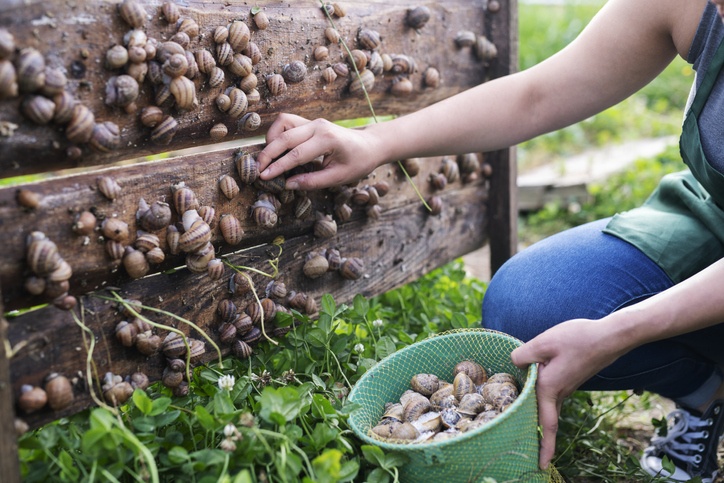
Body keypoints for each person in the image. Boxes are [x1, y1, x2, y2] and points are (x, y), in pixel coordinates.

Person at [257, 0, 724, 480]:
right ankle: (708, 390)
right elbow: (538, 95)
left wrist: (618, 332)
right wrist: (379, 142)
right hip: (715, 216)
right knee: (526, 305)